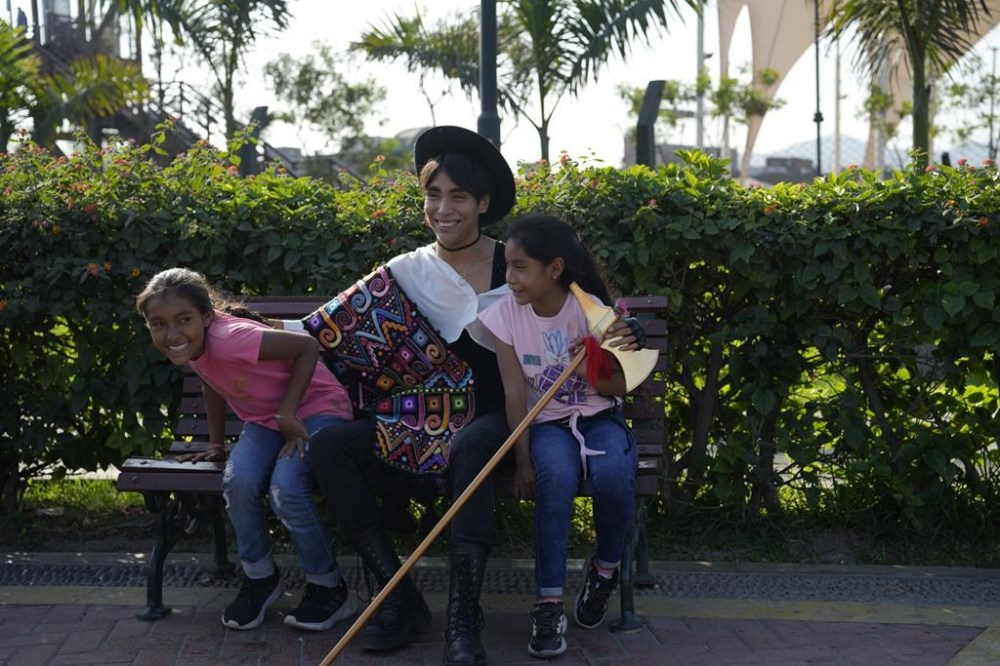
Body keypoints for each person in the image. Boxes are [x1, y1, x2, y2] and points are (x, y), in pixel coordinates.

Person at [300, 126, 642, 665]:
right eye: (433, 195)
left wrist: (622, 339)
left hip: (492, 414)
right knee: (330, 448)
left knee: (471, 448)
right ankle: (399, 594)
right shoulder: (406, 272)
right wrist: (230, 332)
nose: (444, 208)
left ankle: (464, 616)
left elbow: (595, 322)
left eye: (458, 195)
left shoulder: (517, 271)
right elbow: (321, 332)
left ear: (483, 203)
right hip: (418, 415)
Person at [135, 267, 356, 632]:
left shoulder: (230, 338)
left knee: (286, 489)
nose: (172, 333)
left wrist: (287, 413)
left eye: (183, 320)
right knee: (237, 483)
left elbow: (307, 346)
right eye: (158, 324)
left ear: (206, 317)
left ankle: (329, 587)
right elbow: (210, 380)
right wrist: (217, 443)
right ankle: (260, 578)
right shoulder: (194, 345)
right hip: (267, 421)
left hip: (317, 410)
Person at [478, 213, 640, 659]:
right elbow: (515, 392)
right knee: (555, 483)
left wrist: (594, 363)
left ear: (554, 269)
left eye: (520, 267)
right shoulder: (504, 316)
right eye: (507, 266)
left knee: (613, 478)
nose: (510, 278)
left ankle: (605, 569)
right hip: (547, 425)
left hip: (599, 418)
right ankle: (548, 603)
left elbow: (617, 388)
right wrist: (523, 459)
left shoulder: (590, 311)